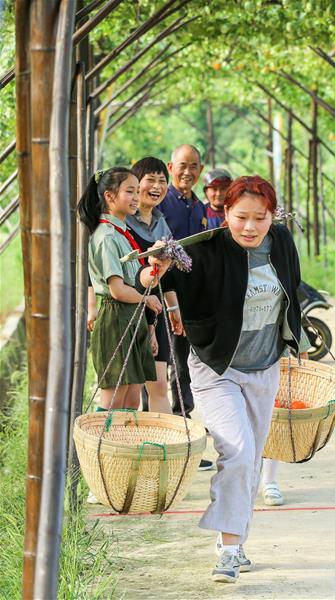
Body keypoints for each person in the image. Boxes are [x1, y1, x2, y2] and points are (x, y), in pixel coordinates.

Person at [138, 175, 311, 583]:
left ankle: (233, 539)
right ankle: (230, 551)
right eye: (241, 217)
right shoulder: (205, 249)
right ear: (225, 213)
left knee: (251, 458)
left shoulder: (281, 241)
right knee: (238, 451)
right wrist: (153, 271)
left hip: (264, 366)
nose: (250, 227)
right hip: (216, 367)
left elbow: (291, 289)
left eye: (260, 218)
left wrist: (298, 340)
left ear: (273, 216)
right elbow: (157, 279)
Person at [78, 167, 160, 411]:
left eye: (137, 191)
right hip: (116, 317)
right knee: (114, 399)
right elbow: (118, 290)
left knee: (132, 399)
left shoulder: (122, 233)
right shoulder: (107, 236)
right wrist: (146, 300)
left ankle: (125, 438)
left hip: (132, 315)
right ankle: (101, 437)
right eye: (129, 191)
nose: (136, 197)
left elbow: (136, 281)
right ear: (109, 196)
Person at [125, 156, 182, 414]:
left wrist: (174, 309)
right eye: (151, 180)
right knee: (130, 391)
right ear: (135, 184)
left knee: (159, 385)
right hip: (129, 308)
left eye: (162, 181)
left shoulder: (161, 223)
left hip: (156, 309)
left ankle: (164, 440)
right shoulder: (122, 222)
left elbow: (166, 276)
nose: (157, 186)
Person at [158, 145, 206, 447]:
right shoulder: (162, 204)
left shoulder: (197, 205)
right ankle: (171, 431)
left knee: (186, 361)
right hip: (163, 295)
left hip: (192, 295)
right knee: (167, 363)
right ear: (170, 167)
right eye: (182, 165)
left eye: (194, 166)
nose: (188, 172)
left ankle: (184, 424)